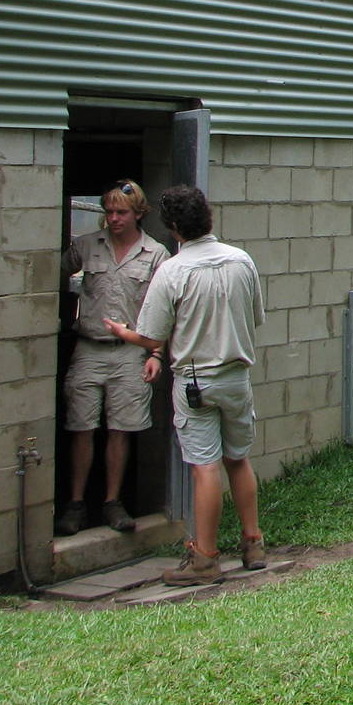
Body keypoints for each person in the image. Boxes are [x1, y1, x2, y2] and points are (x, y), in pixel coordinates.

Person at [106, 184, 266, 586]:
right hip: (237, 377)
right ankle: (253, 543)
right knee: (239, 459)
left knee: (204, 467)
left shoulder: (173, 271)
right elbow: (255, 316)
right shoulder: (241, 261)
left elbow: (150, 335)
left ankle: (205, 559)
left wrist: (123, 332)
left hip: (197, 381)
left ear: (175, 228)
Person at [58, 179, 169, 536]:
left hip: (130, 352)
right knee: (81, 426)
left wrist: (156, 353)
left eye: (121, 212)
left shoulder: (155, 255)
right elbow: (52, 277)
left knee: (121, 429)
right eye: (109, 212)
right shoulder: (86, 246)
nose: (114, 218)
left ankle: (112, 501)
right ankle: (75, 504)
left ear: (139, 214)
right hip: (89, 347)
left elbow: (164, 310)